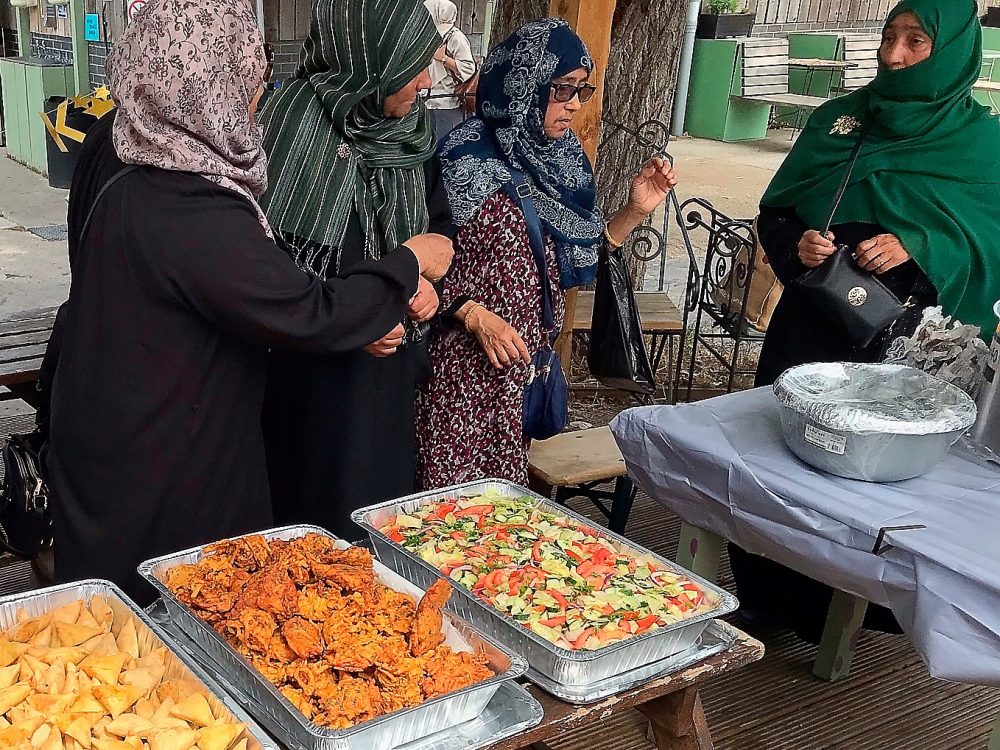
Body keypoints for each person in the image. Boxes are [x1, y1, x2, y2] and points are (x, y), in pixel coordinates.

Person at [44, 0, 452, 603]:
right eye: (244, 66)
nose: (258, 82)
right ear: (205, 80)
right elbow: (302, 307)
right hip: (165, 458)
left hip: (114, 432)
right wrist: (405, 265)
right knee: (168, 629)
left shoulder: (122, 143)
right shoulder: (186, 199)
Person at [734, 0, 1000, 641]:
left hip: (904, 350)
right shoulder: (839, 120)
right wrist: (798, 245)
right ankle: (769, 596)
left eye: (916, 42)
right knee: (781, 457)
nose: (894, 55)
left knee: (875, 475)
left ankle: (858, 607)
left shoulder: (983, 146)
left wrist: (919, 241)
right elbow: (781, 208)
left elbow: (993, 239)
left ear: (956, 50)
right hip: (812, 326)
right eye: (890, 37)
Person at [414, 19, 678, 490]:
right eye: (562, 90)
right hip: (459, 373)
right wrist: (473, 315)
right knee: (444, 515)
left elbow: (572, 264)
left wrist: (633, 211)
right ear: (525, 85)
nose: (575, 104)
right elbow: (421, 260)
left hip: (521, 374)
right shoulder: (464, 156)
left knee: (501, 515)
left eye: (582, 90)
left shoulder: (564, 160)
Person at [258, 0, 452, 539]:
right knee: (309, 536)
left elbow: (439, 229)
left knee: (382, 526)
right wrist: (353, 319)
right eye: (411, 64)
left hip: (389, 379)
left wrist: (430, 285)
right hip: (311, 384)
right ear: (371, 58)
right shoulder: (287, 127)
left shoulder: (412, 132)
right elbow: (266, 272)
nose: (424, 80)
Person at [423, 0, 476, 143]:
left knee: (442, 147)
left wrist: (444, 58)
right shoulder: (427, 35)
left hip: (446, 103)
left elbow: (468, 68)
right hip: (425, 101)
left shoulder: (455, 37)